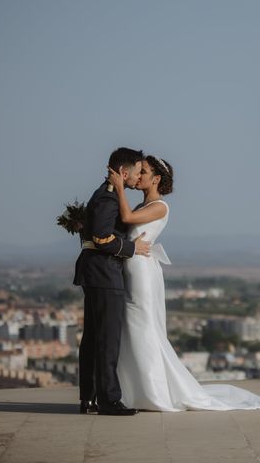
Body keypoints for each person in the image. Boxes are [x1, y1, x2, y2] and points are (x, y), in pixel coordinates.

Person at [108, 155, 260, 411]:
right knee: (133, 326)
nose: (138, 174)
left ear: (156, 179)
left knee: (141, 325)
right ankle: (135, 390)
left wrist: (119, 188)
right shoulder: (144, 204)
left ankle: (153, 392)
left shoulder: (160, 207)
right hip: (133, 267)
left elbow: (127, 219)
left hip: (142, 271)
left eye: (143, 171)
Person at [73, 147, 151, 416]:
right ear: (123, 172)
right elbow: (103, 238)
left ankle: (89, 398)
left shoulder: (104, 195)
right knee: (107, 340)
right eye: (138, 171)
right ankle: (109, 400)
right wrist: (132, 249)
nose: (139, 176)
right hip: (105, 274)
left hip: (96, 273)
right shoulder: (108, 199)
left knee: (94, 338)